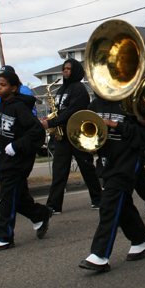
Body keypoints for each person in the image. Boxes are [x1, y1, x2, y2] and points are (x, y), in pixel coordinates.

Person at [78, 96, 145, 272]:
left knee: (109, 204)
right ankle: (141, 240)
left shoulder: (130, 103)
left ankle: (100, 254)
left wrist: (115, 125)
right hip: (107, 161)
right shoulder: (94, 105)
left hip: (127, 160)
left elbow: (144, 137)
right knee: (122, 202)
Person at [0, 66, 51, 251]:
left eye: (3, 85)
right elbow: (7, 130)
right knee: (17, 198)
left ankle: (3, 236)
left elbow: (36, 132)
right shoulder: (2, 105)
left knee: (7, 199)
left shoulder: (20, 107)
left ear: (13, 88)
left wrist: (16, 146)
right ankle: (40, 215)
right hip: (4, 160)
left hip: (16, 163)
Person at [42, 59, 102, 212]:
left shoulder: (79, 89)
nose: (65, 71)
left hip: (76, 135)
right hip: (62, 136)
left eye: (68, 68)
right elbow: (58, 109)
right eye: (64, 68)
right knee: (59, 171)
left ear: (75, 70)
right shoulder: (62, 89)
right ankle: (54, 206)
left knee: (87, 168)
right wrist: (51, 118)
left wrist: (53, 122)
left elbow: (71, 111)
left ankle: (98, 199)